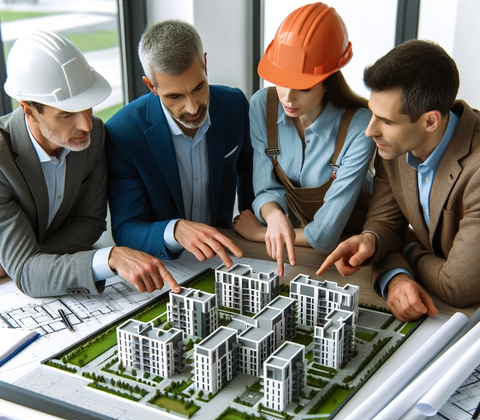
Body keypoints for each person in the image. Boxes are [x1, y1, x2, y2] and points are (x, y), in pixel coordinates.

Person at [0, 31, 180, 298]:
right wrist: (108, 259)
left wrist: (29, 260)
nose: (86, 124)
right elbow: (27, 275)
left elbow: (91, 221)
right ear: (28, 109)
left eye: (88, 106)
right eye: (67, 114)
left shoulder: (92, 135)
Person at [317, 39, 480, 322]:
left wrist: (405, 245)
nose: (370, 132)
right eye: (372, 114)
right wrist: (380, 252)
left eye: (387, 121)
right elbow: (385, 225)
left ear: (430, 121)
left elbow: (458, 286)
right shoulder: (395, 146)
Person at [233, 3, 375, 276]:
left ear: (328, 78)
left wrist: (259, 233)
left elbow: (324, 236)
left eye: (303, 87)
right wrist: (274, 216)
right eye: (282, 79)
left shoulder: (359, 126)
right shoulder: (262, 104)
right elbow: (265, 188)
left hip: (357, 257)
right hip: (301, 252)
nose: (288, 97)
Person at [106, 20, 254, 268]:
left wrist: (256, 225)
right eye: (174, 96)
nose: (193, 107)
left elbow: (250, 172)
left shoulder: (235, 105)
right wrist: (175, 231)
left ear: (205, 63)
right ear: (150, 86)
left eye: (199, 87)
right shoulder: (122, 133)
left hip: (227, 257)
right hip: (164, 265)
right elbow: (125, 228)